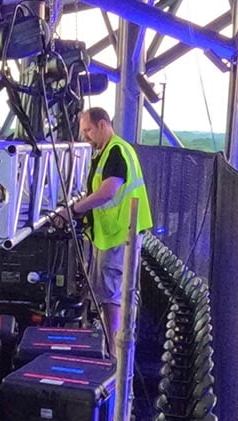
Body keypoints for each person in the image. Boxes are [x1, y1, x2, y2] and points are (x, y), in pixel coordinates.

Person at [72, 107, 152, 356]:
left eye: (88, 130)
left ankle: (115, 353)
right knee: (108, 295)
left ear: (103, 125)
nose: (86, 136)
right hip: (110, 236)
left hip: (119, 236)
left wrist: (75, 209)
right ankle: (113, 346)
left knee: (113, 297)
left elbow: (108, 191)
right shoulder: (106, 152)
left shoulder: (116, 151)